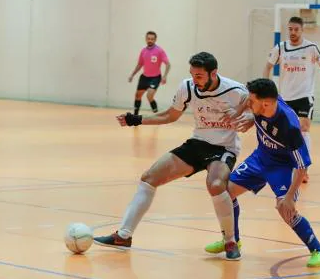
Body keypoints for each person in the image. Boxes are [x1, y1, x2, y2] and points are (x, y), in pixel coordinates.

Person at [94, 52, 248, 260]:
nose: (195, 80)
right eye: (192, 74)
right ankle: (124, 235)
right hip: (197, 143)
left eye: (200, 76)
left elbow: (259, 108)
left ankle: (230, 241)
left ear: (214, 73)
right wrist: (137, 120)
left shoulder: (236, 91)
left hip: (223, 148)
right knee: (149, 178)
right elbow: (169, 115)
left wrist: (247, 117)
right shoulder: (187, 87)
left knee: (216, 184)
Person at [205, 78, 320, 267]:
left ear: (266, 103)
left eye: (252, 102)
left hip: (282, 167)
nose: (248, 103)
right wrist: (241, 115)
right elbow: (248, 101)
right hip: (260, 158)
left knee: (285, 209)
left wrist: (288, 196)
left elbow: (302, 166)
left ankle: (317, 250)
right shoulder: (263, 104)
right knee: (226, 192)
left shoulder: (290, 127)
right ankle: (232, 241)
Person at [263, 16, 320, 183]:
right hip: (285, 97)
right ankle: (285, 164)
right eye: (290, 29)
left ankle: (303, 169)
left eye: (296, 29)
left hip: (304, 96)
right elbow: (267, 67)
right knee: (284, 133)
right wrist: (266, 89)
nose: (293, 32)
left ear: (302, 30)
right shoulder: (281, 48)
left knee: (303, 128)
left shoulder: (311, 48)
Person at [128, 31, 171, 115]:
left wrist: (165, 76)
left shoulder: (159, 51)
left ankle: (156, 112)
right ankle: (135, 116)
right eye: (148, 39)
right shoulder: (143, 51)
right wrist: (132, 75)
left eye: (152, 39)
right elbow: (140, 64)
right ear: (146, 39)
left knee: (149, 95)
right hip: (144, 77)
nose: (150, 40)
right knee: (137, 96)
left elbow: (168, 64)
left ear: (155, 40)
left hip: (155, 78)